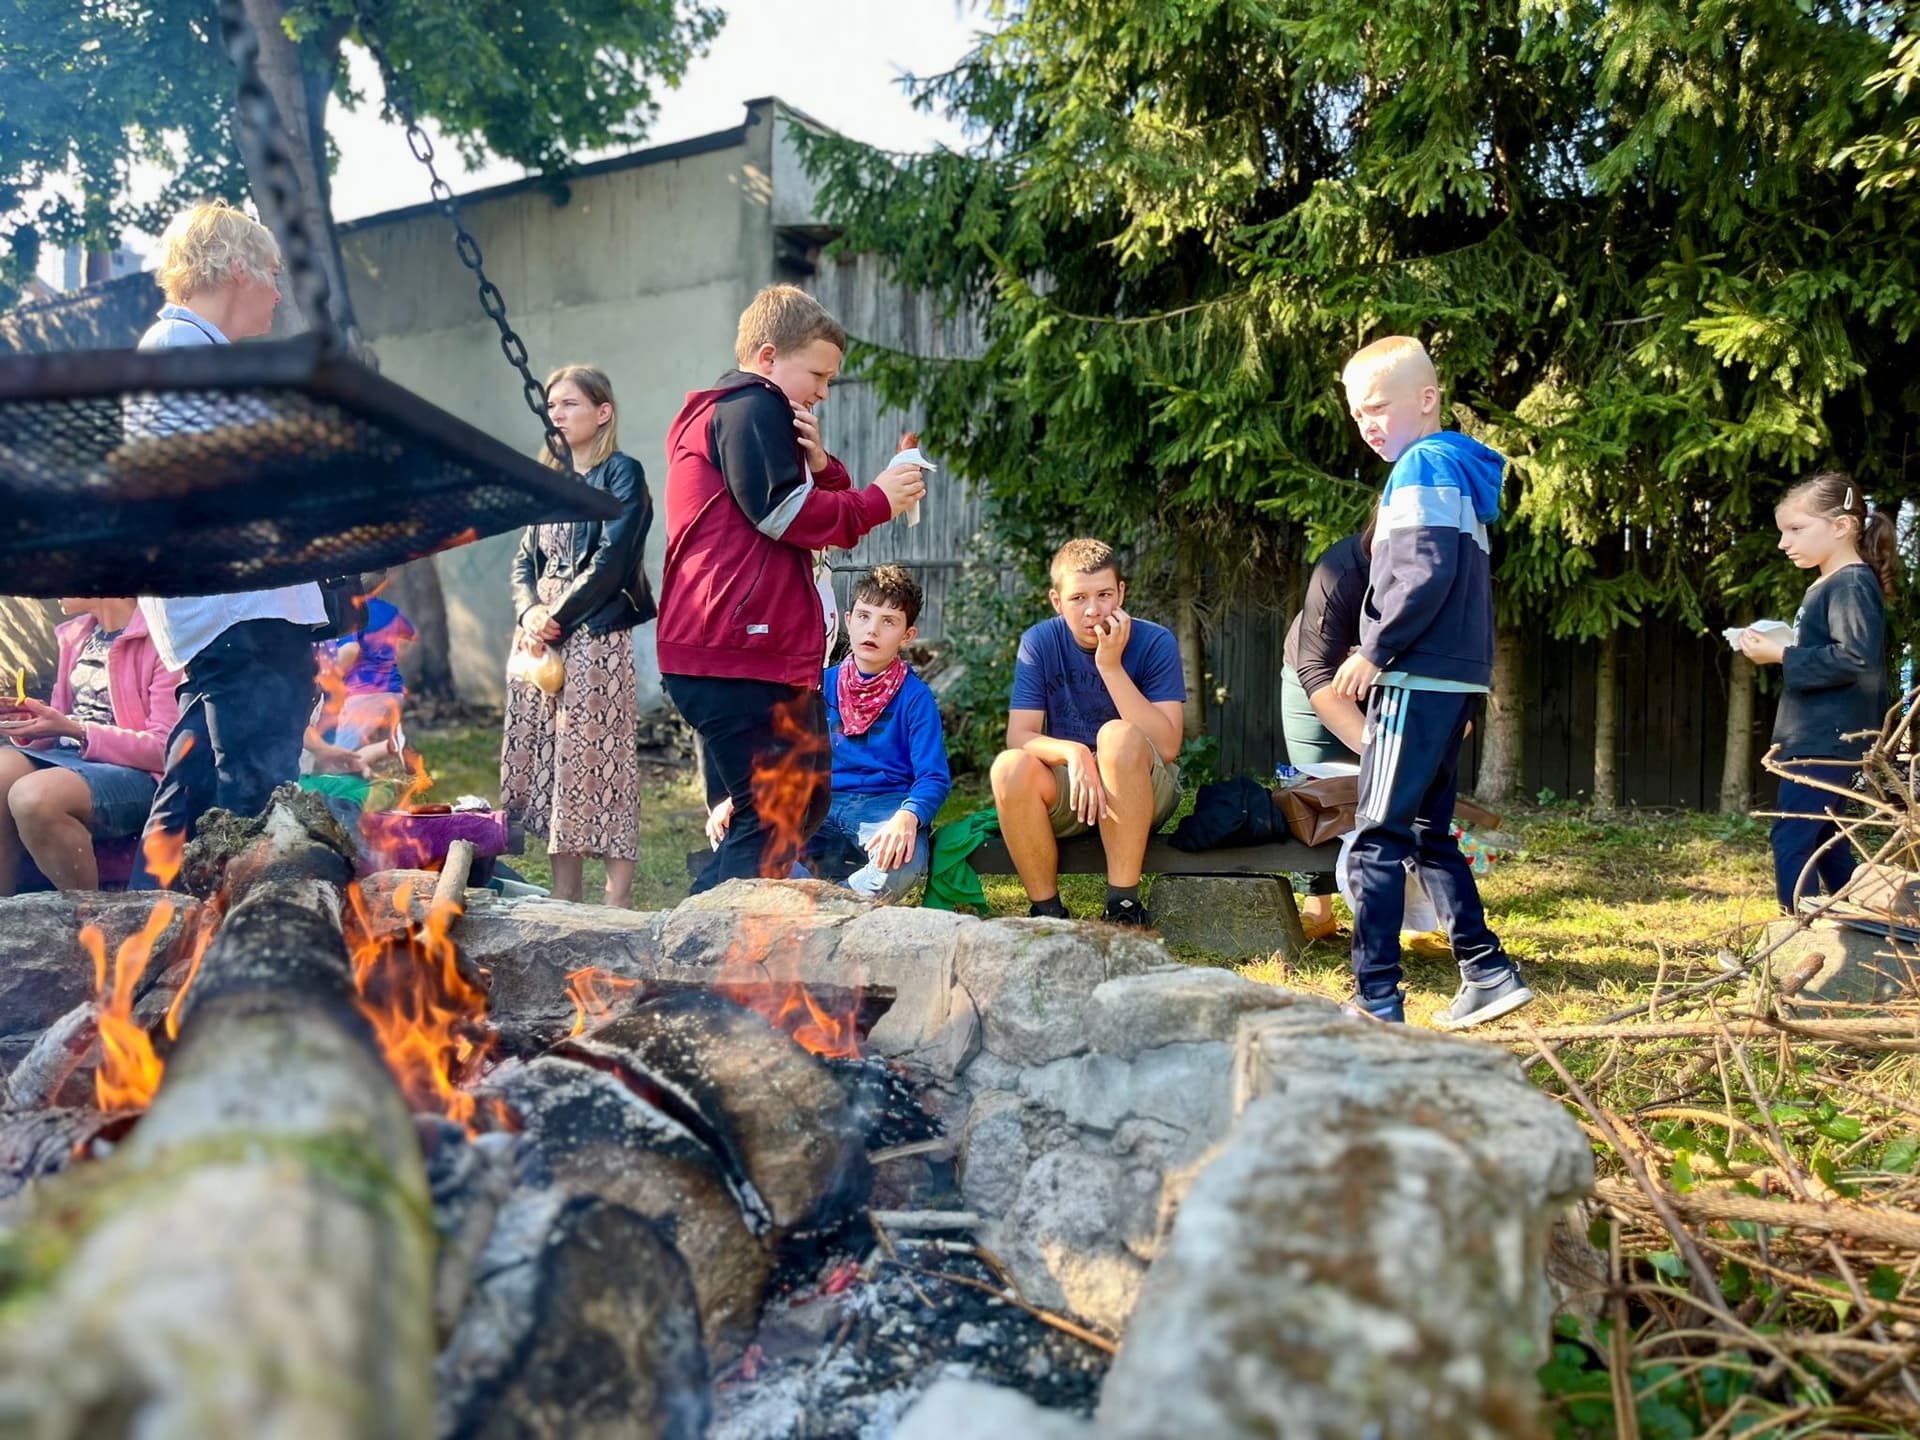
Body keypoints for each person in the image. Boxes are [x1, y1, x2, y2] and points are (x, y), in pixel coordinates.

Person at [657, 284, 925, 893]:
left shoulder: (755, 411)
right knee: (771, 814)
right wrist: (878, 499)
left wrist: (826, 465)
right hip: (736, 651)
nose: (824, 393)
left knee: (801, 803)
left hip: (767, 656)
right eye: (819, 375)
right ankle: (704, 951)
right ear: (770, 355)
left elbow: (815, 507)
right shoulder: (751, 405)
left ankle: (720, 946)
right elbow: (783, 513)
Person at [1330, 336, 1533, 1027]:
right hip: (1450, 679)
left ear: (1428, 399)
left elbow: (1421, 574)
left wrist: (1375, 650)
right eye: (1359, 415)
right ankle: (1487, 970)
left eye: (1380, 406)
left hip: (1414, 676)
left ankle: (1377, 997)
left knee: (1377, 837)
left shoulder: (1421, 467)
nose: (1370, 425)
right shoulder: (1456, 473)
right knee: (1429, 833)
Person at [129, 200, 328, 887]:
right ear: (237, 268)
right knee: (256, 804)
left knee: (188, 798)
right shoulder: (182, 354)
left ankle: (139, 943)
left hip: (233, 621)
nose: (277, 290)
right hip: (242, 616)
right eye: (271, 272)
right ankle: (240, 955)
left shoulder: (189, 355)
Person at [500, 364, 655, 908]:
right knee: (554, 760)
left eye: (569, 403)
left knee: (601, 761)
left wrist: (555, 615)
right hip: (540, 639)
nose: (556, 413)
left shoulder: (623, 474)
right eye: (552, 404)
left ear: (602, 412)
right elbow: (523, 561)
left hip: (593, 634)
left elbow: (614, 558)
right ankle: (564, 894)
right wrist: (528, 615)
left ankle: (615, 904)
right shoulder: (550, 481)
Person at [706, 565, 951, 901]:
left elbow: (933, 778)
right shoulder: (819, 683)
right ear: (848, 620)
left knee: (902, 864)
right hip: (815, 800)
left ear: (908, 635)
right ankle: (827, 899)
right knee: (737, 834)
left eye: (888, 621)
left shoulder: (916, 698)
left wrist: (908, 817)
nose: (873, 630)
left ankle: (817, 901)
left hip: (882, 809)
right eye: (864, 616)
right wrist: (743, 799)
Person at [989, 538, 1186, 925]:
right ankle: (1046, 913)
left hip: (1141, 787)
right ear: (1056, 601)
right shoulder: (1040, 642)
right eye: (1078, 598)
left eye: (1104, 595)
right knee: (1009, 767)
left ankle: (1123, 908)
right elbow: (1020, 735)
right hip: (1076, 788)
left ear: (1122, 593)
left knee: (1116, 736)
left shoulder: (1155, 642)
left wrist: (1111, 667)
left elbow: (1166, 747)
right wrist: (1074, 753)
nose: (1093, 610)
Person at [1738, 471, 1894, 913]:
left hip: (1830, 739)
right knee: (1826, 836)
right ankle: (1854, 930)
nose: (1784, 543)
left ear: (1842, 526)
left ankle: (1794, 933)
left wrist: (1784, 655)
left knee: (1794, 833)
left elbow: (1855, 659)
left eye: (1796, 529)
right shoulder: (1829, 583)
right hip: (1817, 735)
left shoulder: (1850, 582)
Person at [0, 598, 180, 893]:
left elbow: (164, 749)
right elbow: (60, 724)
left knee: (33, 797)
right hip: (71, 757)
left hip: (135, 772)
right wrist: (30, 724)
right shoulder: (77, 635)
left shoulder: (162, 639)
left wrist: (77, 730)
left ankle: (87, 918)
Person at [1281, 520, 1372, 938]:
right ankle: (1318, 909)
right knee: (1317, 787)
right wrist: (1377, 754)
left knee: (1414, 790)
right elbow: (1316, 670)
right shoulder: (1341, 569)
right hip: (1316, 673)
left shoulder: (1449, 574)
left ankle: (1417, 917)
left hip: (1398, 680)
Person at [307, 589, 416, 777]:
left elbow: (351, 649)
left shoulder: (350, 612)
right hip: (394, 691)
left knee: (337, 764)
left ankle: (390, 747)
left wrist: (324, 677)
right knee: (350, 756)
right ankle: (386, 752)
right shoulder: (389, 609)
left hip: (363, 695)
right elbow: (409, 636)